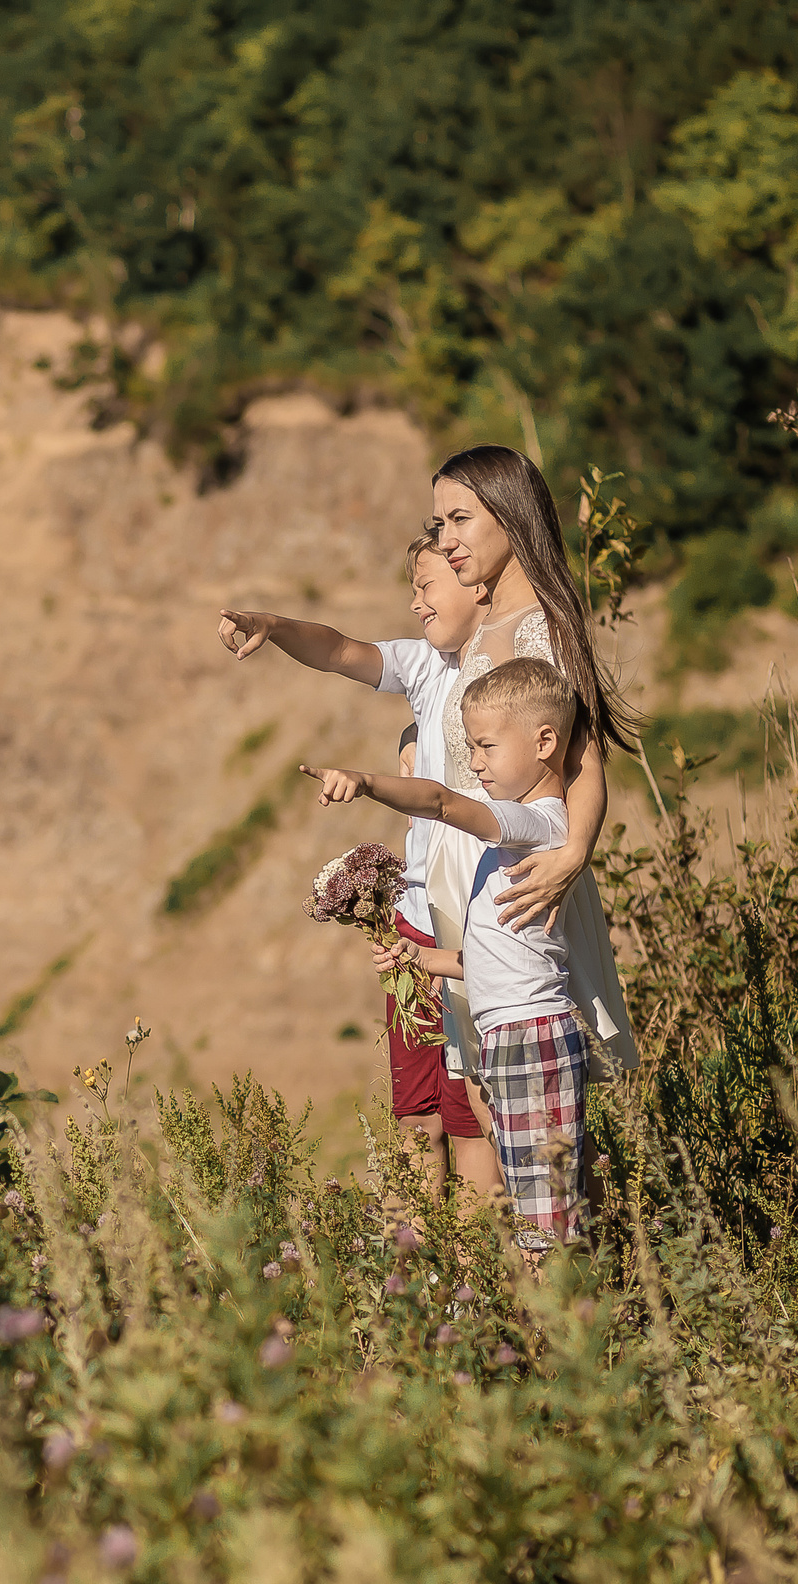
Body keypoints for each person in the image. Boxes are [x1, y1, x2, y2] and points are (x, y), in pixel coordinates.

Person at [215, 540, 498, 1198]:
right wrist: (276, 626)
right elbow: (339, 648)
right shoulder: (427, 664)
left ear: (478, 584)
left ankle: (481, 1272)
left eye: (428, 586)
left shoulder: (507, 669)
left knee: (470, 1116)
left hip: (469, 926)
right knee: (416, 1114)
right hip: (415, 923)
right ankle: (427, 1271)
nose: (414, 600)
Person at [299, 658, 595, 1251]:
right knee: (536, 1206)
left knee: (548, 1221)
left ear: (544, 743)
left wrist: (367, 782)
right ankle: (557, 1322)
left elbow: (438, 802)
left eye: (485, 746)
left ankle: (569, 1328)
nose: (476, 762)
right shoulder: (509, 849)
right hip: (511, 1031)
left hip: (530, 1038)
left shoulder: (536, 822)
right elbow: (495, 958)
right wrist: (421, 959)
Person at [425, 446, 638, 1079]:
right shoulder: (484, 617)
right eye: (440, 524)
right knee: (497, 1098)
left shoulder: (540, 625)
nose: (447, 539)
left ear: (511, 516)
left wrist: (573, 856)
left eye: (461, 519)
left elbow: (584, 757)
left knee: (543, 1095)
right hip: (468, 867)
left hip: (522, 873)